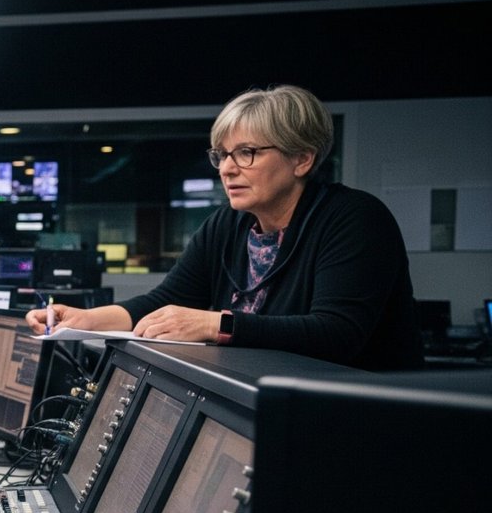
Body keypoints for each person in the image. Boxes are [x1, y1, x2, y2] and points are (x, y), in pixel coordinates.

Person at [25, 84, 422, 371]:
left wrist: (216, 324)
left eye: (247, 153)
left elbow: (336, 335)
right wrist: (84, 320)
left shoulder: (353, 218)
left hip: (356, 420)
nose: (228, 168)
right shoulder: (228, 224)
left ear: (302, 159)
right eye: (223, 155)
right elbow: (165, 301)